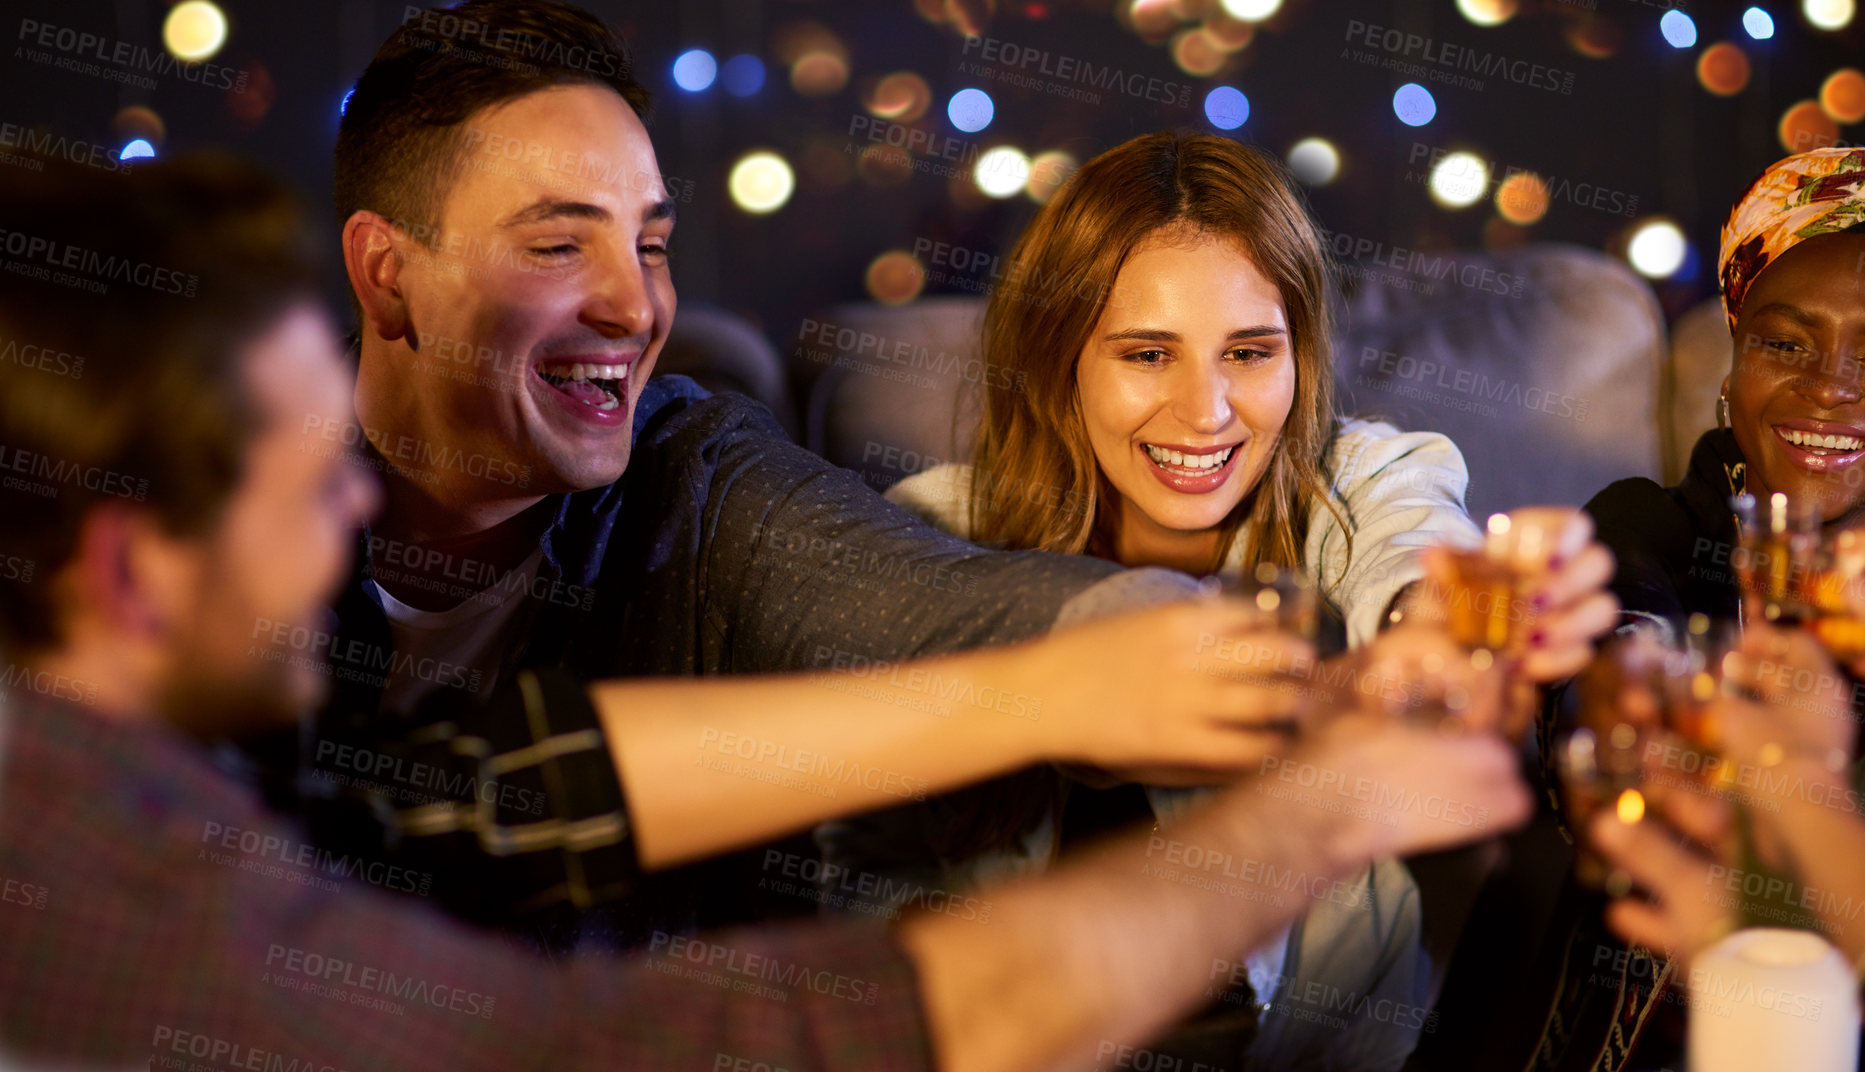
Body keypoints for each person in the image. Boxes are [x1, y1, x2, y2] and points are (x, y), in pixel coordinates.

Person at [0, 151, 1535, 1072]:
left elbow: (490, 795)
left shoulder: (143, 786)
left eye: (651, 239)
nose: (353, 503)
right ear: (132, 570)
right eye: (302, 476)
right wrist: (1316, 803)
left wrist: (1071, 686)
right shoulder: (134, 913)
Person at [283, 0, 1326, 951]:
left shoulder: (694, 473)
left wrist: (1200, 650)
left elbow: (944, 602)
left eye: (650, 245)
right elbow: (350, 821)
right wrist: (1036, 693)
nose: (635, 306)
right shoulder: (218, 500)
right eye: (559, 245)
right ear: (388, 274)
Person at [821, 131, 1617, 1071]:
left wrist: (1455, 622)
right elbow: (856, 904)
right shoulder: (925, 537)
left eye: (1247, 352)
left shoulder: (1361, 480)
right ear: (1058, 358)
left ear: (1300, 357)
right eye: (1147, 354)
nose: (1205, 412)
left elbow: (1414, 557)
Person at [1440, 147, 1865, 1072]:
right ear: (1732, 359)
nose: (1830, 387)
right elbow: (1619, 633)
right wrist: (1621, 687)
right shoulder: (1650, 524)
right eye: (1785, 343)